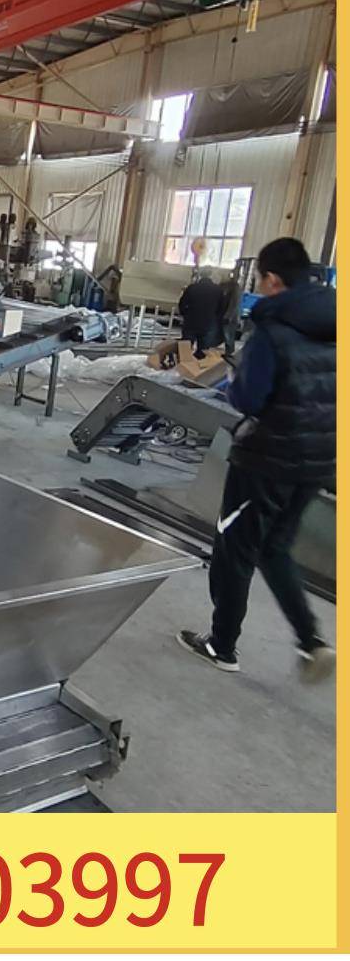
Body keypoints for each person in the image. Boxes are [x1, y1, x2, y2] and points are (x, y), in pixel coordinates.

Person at [178, 238, 335, 681]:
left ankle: (222, 645)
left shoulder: (272, 329)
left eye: (262, 280)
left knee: (236, 549)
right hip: (319, 459)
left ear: (272, 280)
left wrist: (235, 380)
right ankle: (311, 641)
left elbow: (249, 398)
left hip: (268, 460)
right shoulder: (335, 326)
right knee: (275, 548)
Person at [177, 266, 225, 358]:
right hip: (208, 323)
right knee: (203, 350)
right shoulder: (218, 290)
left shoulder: (192, 288)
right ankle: (199, 363)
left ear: (200, 275)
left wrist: (185, 314)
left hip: (191, 322)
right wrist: (214, 318)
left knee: (185, 349)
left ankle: (184, 364)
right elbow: (221, 308)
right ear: (211, 275)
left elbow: (182, 304)